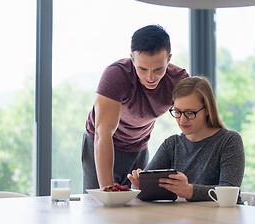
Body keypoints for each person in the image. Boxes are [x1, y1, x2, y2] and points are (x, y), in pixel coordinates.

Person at [81, 24, 189, 193]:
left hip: (139, 144)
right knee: (100, 207)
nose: (151, 77)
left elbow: (195, 123)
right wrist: (109, 192)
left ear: (169, 59)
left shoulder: (178, 80)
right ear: (132, 59)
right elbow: (103, 133)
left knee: (138, 205)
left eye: (159, 69)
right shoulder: (116, 75)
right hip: (102, 142)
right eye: (143, 68)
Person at [127, 76, 245, 202]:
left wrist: (189, 191)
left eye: (190, 113)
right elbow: (140, 187)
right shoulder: (171, 144)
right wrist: (140, 185)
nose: (182, 120)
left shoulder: (229, 140)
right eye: (177, 112)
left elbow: (230, 192)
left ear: (207, 110)